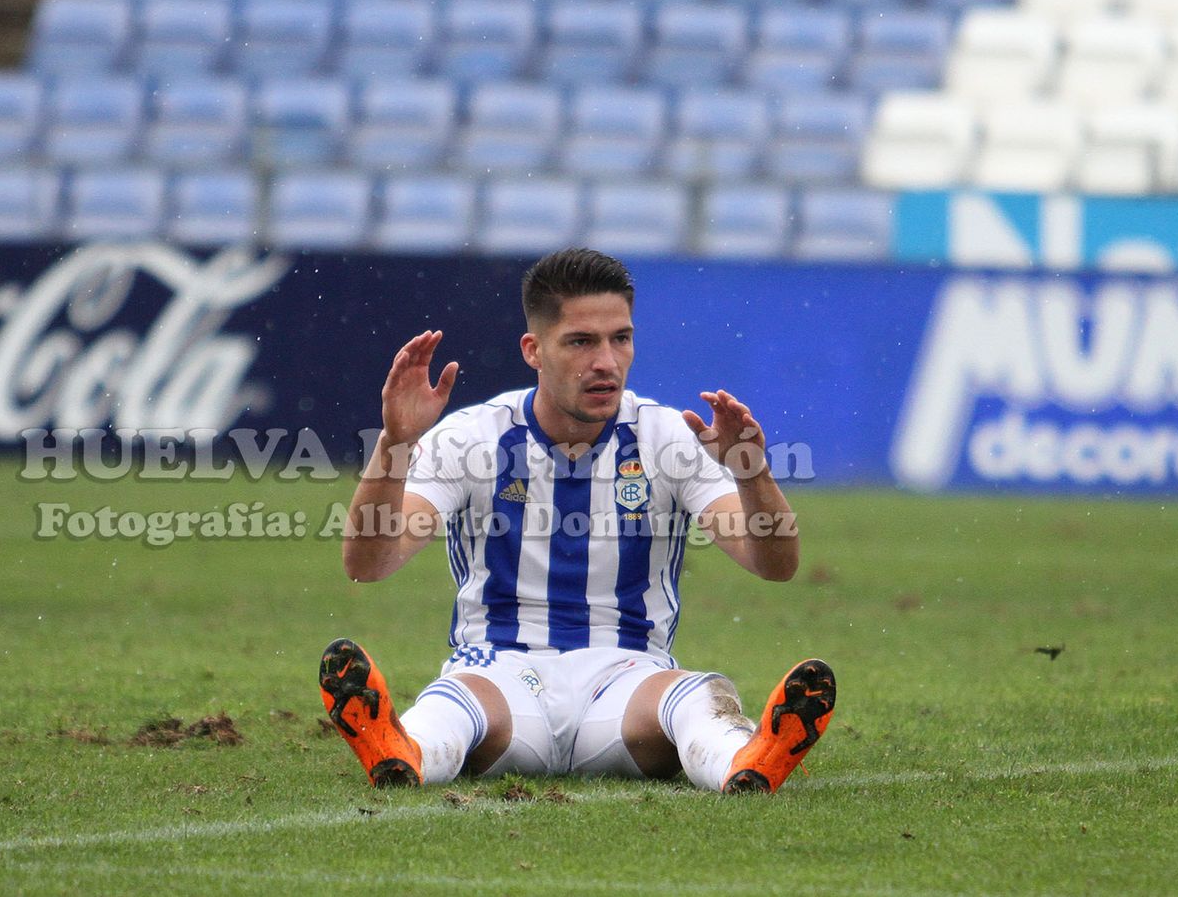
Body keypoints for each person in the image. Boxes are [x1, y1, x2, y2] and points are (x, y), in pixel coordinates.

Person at [320, 248, 834, 793]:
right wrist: (396, 443)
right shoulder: (470, 438)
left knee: (697, 699)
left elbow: (774, 564)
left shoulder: (668, 437)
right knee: (450, 707)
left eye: (621, 338)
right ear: (534, 350)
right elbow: (368, 563)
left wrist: (751, 472)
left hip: (627, 681)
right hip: (498, 672)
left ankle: (745, 761)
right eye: (582, 342)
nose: (607, 361)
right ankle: (404, 752)